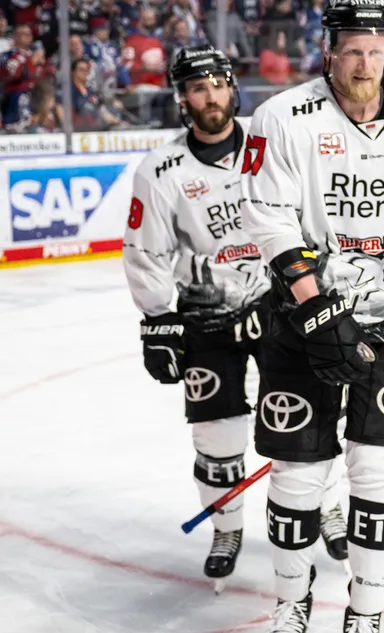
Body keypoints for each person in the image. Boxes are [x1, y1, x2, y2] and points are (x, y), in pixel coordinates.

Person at [238, 0, 384, 633]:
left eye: (374, 49)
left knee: (379, 476)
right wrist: (318, 313)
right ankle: (291, 601)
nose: (362, 63)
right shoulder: (282, 117)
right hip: (304, 321)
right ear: (327, 50)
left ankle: (365, 618)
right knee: (298, 475)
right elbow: (267, 217)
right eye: (350, 49)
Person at [122, 47, 272, 594]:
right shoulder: (160, 169)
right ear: (182, 98)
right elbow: (145, 251)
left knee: (306, 419)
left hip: (278, 304)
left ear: (232, 87)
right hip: (206, 316)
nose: (210, 96)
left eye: (216, 84)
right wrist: (157, 320)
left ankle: (323, 510)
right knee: (216, 433)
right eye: (196, 88)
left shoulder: (269, 141)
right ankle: (226, 528)